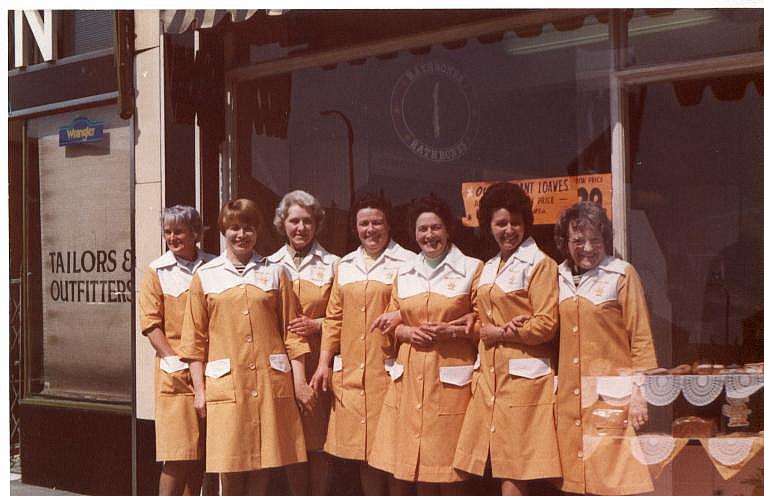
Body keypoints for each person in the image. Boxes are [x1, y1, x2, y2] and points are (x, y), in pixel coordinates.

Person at [180, 198, 311, 496]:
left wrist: (300, 381)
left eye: (248, 228)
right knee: (230, 462)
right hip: (228, 383)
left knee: (263, 463)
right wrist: (199, 391)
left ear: (258, 231)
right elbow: (194, 341)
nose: (242, 235)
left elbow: (294, 333)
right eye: (235, 228)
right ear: (224, 231)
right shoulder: (206, 275)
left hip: (269, 381)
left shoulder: (276, 272)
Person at [368, 195, 481, 496]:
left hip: (450, 380)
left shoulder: (472, 269)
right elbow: (388, 326)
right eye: (422, 229)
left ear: (449, 230)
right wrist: (405, 331)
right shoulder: (404, 272)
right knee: (419, 469)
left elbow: (483, 322)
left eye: (436, 228)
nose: (429, 236)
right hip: (411, 380)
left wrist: (453, 330)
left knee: (450, 470)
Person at [453, 183, 561, 496]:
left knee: (515, 467)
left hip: (523, 380)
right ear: (489, 225)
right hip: (490, 377)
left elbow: (546, 324)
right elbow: (481, 318)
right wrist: (473, 322)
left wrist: (501, 332)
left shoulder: (540, 265)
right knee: (492, 463)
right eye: (501, 223)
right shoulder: (487, 268)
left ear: (526, 223)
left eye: (515, 222)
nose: (509, 230)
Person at [310, 192, 416, 496]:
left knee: (392, 451)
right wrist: (323, 364)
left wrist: (401, 314)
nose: (371, 230)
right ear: (355, 228)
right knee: (364, 453)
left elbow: (420, 307)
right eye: (364, 223)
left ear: (388, 224)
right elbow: (333, 319)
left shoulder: (406, 262)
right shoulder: (346, 265)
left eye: (377, 222)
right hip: (354, 375)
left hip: (391, 373)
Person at [554, 201, 657, 495]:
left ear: (605, 240)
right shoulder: (557, 277)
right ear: (565, 242)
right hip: (570, 401)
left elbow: (641, 337)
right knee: (575, 481)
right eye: (578, 240)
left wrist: (639, 393)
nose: (587, 247)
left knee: (613, 482)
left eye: (595, 240)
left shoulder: (621, 274)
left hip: (613, 398)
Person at [139, 205, 214, 496]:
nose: (172, 237)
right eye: (167, 231)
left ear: (195, 232)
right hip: (177, 374)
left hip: (209, 370)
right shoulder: (157, 271)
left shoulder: (213, 266)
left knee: (200, 456)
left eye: (179, 231)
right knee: (178, 453)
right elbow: (150, 324)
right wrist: (172, 359)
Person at [269, 190, 340, 496]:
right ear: (282, 223)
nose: (300, 228)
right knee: (291, 442)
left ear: (317, 224)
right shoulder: (269, 265)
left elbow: (346, 317)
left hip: (317, 367)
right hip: (280, 366)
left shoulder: (335, 264)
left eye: (307, 221)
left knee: (318, 442)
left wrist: (317, 324)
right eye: (294, 221)